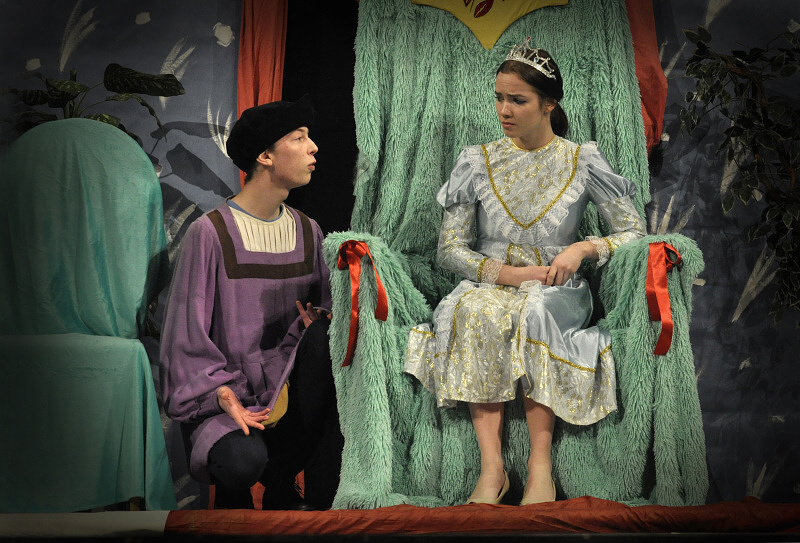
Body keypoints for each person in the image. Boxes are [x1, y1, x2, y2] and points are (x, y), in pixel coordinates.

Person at [404, 39, 646, 505]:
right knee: (474, 310)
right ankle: (492, 470)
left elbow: (633, 231)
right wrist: (508, 275)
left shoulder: (582, 159)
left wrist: (583, 248)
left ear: (549, 103)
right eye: (499, 97)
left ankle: (540, 467)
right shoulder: (476, 160)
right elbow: (449, 250)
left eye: (517, 99)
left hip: (556, 287)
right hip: (492, 281)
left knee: (534, 312)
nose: (504, 110)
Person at [159, 95, 343, 510]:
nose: (314, 148)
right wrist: (223, 395)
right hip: (227, 402)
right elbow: (185, 341)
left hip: (287, 398)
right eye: (299, 138)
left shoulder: (308, 231)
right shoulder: (210, 234)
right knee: (241, 461)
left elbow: (325, 323)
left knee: (325, 341)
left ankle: (282, 485)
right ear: (265, 156)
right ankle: (233, 499)